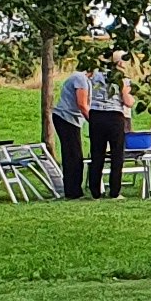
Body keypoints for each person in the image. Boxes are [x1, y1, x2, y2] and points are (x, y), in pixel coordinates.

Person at [86, 51, 131, 199]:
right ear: (119, 63)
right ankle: (114, 191)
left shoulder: (95, 76)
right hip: (114, 116)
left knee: (97, 154)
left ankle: (95, 191)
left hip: (96, 115)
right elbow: (128, 102)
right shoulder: (121, 79)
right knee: (117, 155)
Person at [51, 60, 93, 199]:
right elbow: (82, 104)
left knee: (74, 154)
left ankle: (74, 189)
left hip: (71, 120)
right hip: (66, 118)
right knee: (73, 155)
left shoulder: (81, 78)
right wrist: (93, 122)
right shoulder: (80, 79)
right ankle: (72, 191)